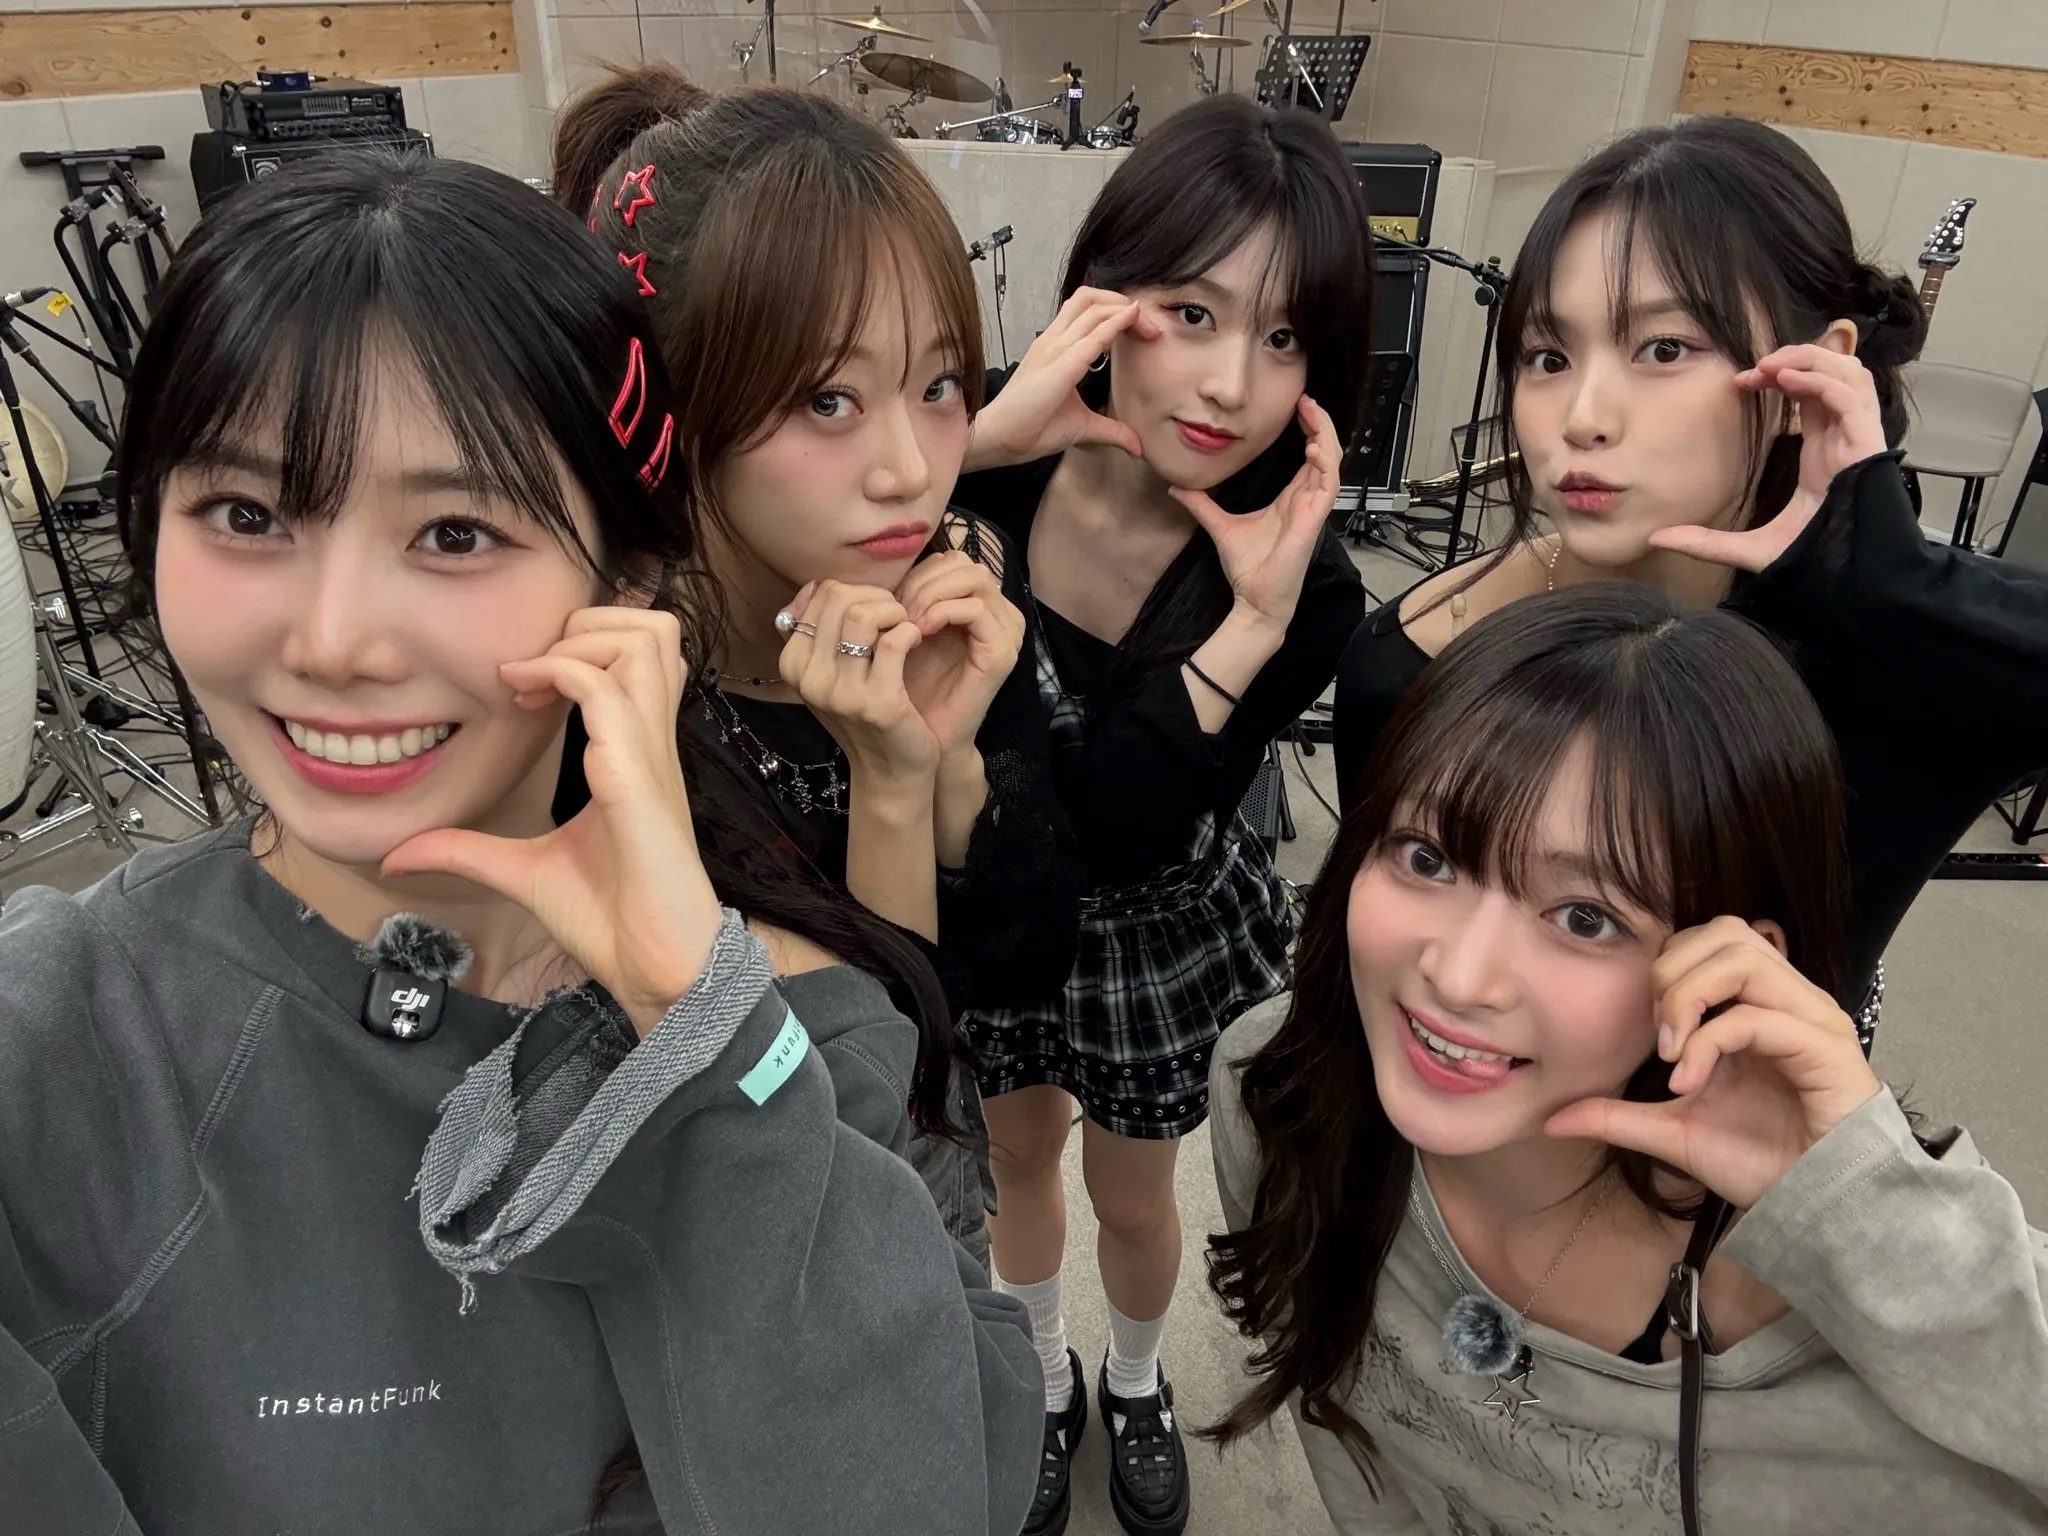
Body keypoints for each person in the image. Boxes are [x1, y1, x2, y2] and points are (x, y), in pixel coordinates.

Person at [0, 154, 1041, 1536]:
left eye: (454, 531)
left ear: (627, 581)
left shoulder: (802, 1015)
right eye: (247, 516)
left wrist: (699, 1037)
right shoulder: (64, 1044)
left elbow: (938, 1492)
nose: (332, 641)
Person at [1210, 585, 2048, 1534]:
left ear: (1727, 967)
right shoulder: (1281, 1094)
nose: (1459, 974)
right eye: (1428, 857)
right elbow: (1359, 1459)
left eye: (1585, 917)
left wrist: (1870, 1210)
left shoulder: (1867, 1307)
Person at [1331, 115, 2048, 1037]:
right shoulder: (1417, 658)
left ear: (1807, 376)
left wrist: (1894, 581)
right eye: (1549, 358)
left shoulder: (1902, 664)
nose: (1582, 417)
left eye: (1664, 349)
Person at [551, 71, 1085, 1269]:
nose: (908, 469)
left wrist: (937, 770)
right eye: (829, 399)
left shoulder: (949, 592)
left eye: (936, 385)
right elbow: (812, 1133)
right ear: (674, 404)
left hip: (923, 1210)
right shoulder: (612, 699)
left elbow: (1019, 967)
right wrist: (887, 789)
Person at [948, 94, 1371, 1536]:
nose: (1229, 384)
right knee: (1013, 1163)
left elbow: (1125, 823)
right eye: (1191, 312)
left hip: (1149, 922)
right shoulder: (986, 446)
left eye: (1283, 336)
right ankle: (1036, 1373)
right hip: (986, 889)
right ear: (1106, 296)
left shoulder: (1306, 579)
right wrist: (965, 449)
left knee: (1133, 1200)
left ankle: (1133, 1378)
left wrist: (1248, 625)